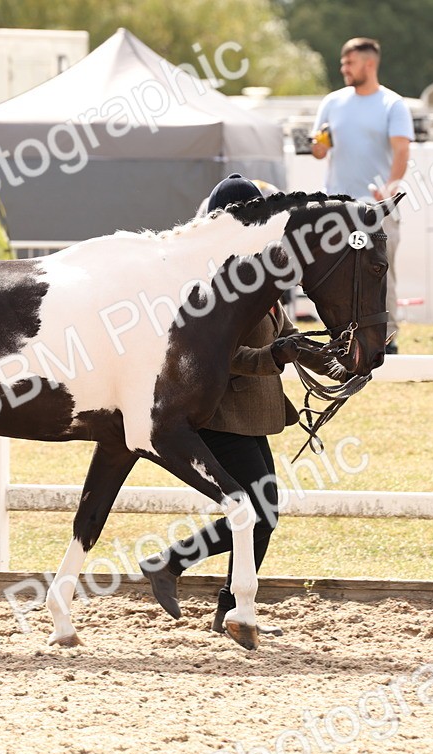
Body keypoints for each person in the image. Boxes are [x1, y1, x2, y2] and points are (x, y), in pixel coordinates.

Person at [138, 173, 337, 638]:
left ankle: (227, 609)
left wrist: (324, 357)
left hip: (254, 416)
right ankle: (169, 564)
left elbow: (282, 332)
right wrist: (275, 357)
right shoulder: (212, 282)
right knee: (261, 513)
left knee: (261, 515)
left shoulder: (257, 271)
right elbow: (218, 358)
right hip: (223, 414)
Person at [310, 37, 413, 354]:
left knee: (381, 274)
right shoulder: (332, 102)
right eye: (343, 63)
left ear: (369, 64)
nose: (344, 68)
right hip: (337, 207)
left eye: (349, 62)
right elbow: (318, 150)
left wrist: (391, 185)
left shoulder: (392, 105)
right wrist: (320, 142)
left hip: (376, 207)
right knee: (333, 274)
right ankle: (342, 338)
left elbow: (402, 150)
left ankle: (388, 341)